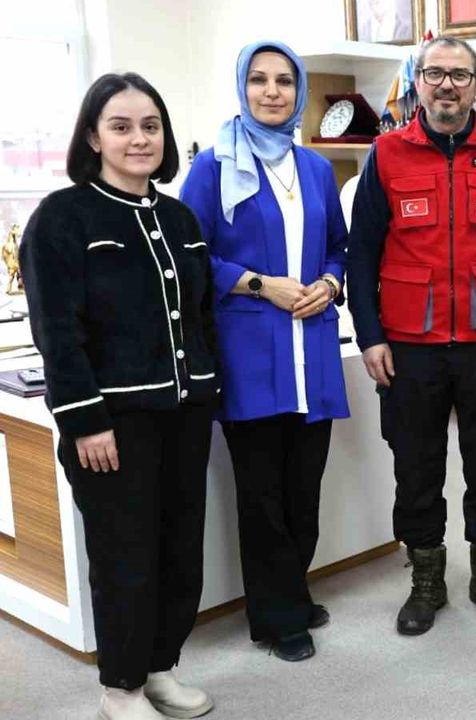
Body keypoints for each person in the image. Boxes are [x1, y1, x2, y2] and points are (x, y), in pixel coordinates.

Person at [21, 73, 218, 720]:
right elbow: (57, 331)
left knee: (179, 551)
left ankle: (160, 669)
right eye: (122, 126)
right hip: (112, 425)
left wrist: (208, 390)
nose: (140, 139)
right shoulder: (63, 217)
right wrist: (84, 420)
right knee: (125, 557)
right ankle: (121, 690)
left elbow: (200, 316)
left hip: (184, 414)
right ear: (92, 137)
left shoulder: (178, 217)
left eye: (150, 126)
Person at [347, 36, 476, 635]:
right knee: (416, 467)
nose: (447, 85)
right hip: (410, 346)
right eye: (435, 74)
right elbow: (361, 255)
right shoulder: (385, 154)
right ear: (418, 84)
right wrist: (370, 336)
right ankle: (426, 578)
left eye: (459, 75)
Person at [180, 41, 349, 663]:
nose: (272, 91)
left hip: (313, 349)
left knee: (304, 490)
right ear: (242, 88)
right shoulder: (213, 167)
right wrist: (258, 284)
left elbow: (339, 248)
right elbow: (190, 254)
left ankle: (290, 592)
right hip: (250, 351)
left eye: (284, 80)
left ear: (299, 90)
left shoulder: (316, 169)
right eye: (259, 79)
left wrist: (330, 283)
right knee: (262, 497)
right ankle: (277, 617)